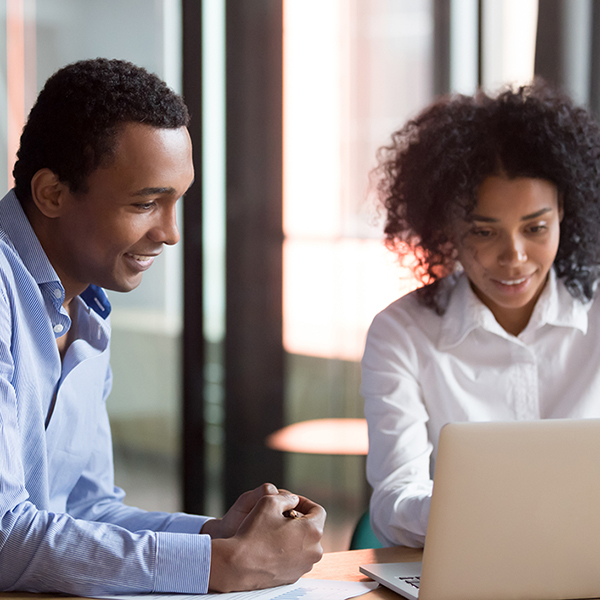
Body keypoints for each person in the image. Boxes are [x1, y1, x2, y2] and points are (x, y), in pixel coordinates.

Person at [0, 58, 325, 595]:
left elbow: (86, 509)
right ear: (52, 194)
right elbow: (7, 537)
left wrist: (219, 538)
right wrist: (216, 566)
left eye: (177, 201)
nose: (170, 234)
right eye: (146, 203)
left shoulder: (87, 310)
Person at [361, 80, 600, 548]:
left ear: (564, 212)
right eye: (484, 233)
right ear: (444, 227)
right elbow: (394, 500)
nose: (514, 256)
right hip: (468, 561)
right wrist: (498, 513)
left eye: (536, 228)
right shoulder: (401, 335)